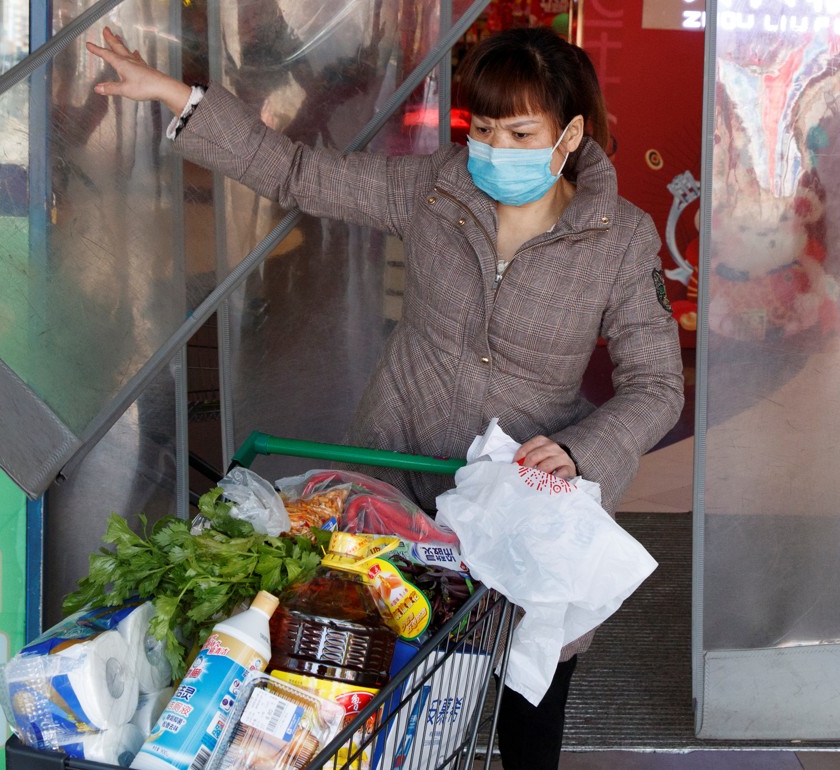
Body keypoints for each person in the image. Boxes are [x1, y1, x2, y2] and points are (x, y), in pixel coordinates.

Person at [87, 24, 684, 769]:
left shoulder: (619, 239)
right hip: (397, 469)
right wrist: (179, 96)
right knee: (385, 675)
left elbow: (657, 385)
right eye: (486, 127)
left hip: (528, 498)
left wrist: (577, 450)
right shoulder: (439, 189)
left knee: (533, 689)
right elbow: (301, 173)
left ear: (569, 135)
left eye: (521, 130)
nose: (497, 148)